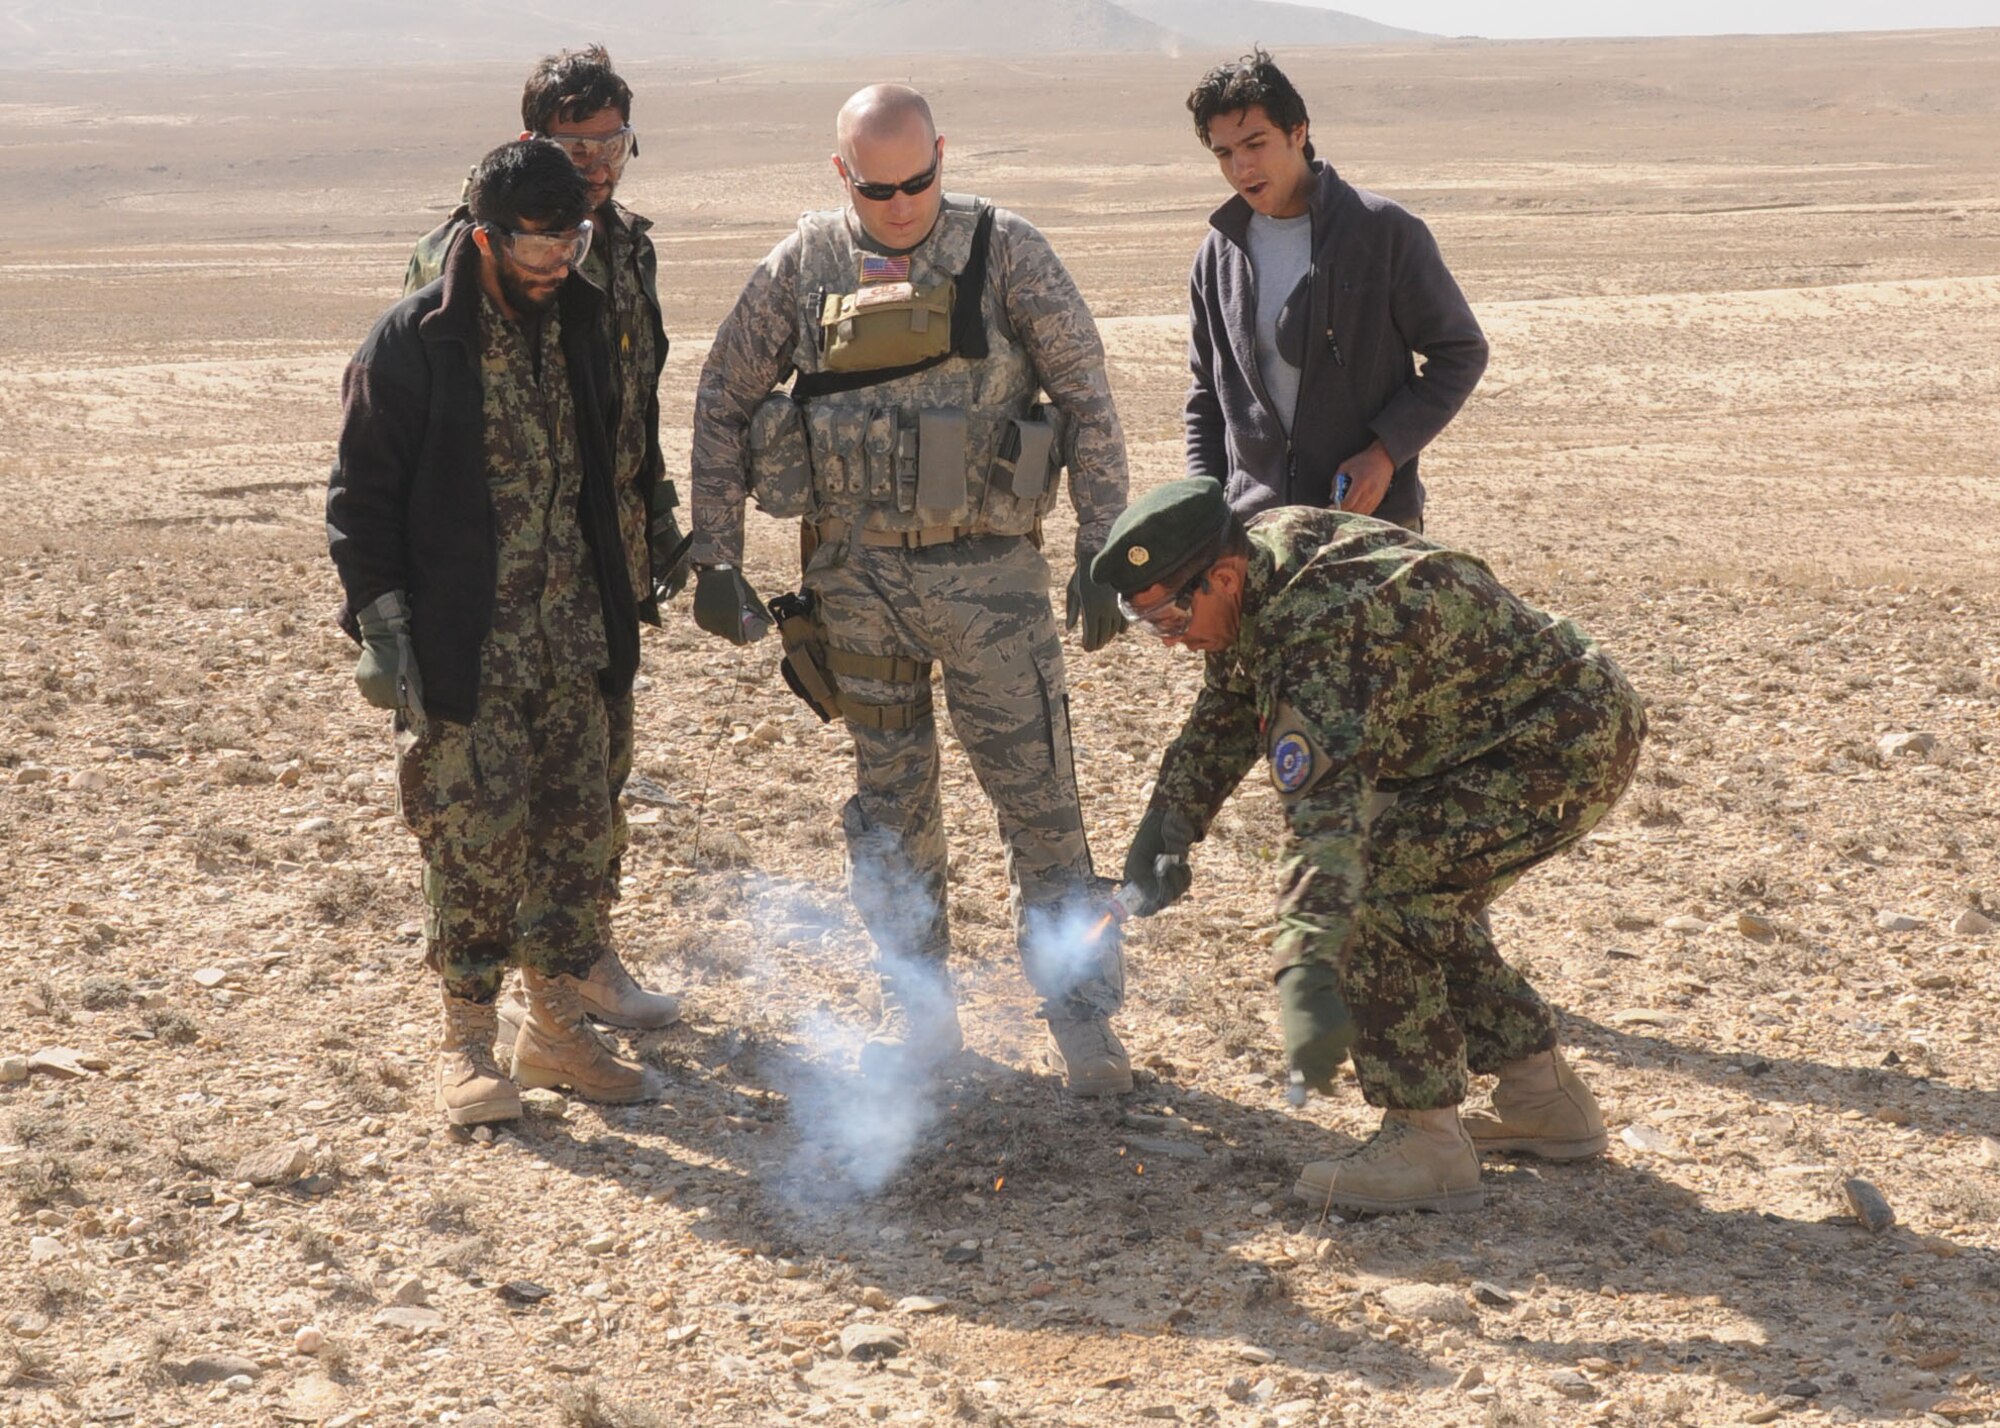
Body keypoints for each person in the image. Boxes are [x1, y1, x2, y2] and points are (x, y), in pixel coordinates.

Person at [686, 84, 1135, 1095]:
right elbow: (723, 397)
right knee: (891, 813)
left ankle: (1084, 1023)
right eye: (876, 187)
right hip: (855, 583)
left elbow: (1086, 398)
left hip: (993, 583)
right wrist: (714, 555)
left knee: (1043, 808)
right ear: (842, 174)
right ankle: (921, 1016)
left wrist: (1104, 546)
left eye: (917, 180)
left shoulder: (1006, 250)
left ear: (942, 152)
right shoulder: (802, 266)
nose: (899, 203)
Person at [1097, 478, 1645, 1213]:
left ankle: (1429, 1144)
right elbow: (1230, 700)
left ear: (1221, 576)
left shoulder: (1325, 634)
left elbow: (1330, 842)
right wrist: (1166, 830)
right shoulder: (1262, 557)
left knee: (1375, 892)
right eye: (1148, 621)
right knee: (1417, 894)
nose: (1169, 638)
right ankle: (1542, 1100)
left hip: (1556, 744)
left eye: (1169, 615)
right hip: (1498, 733)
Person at [330, 140, 657, 1126]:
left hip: (574, 644)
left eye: (574, 238)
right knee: (474, 846)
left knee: (571, 842)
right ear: (483, 236)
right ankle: (467, 1050)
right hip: (469, 644)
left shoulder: (586, 321)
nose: (559, 260)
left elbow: (615, 465)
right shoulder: (415, 342)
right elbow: (361, 496)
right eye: (538, 244)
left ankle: (557, 1032)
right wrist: (381, 627)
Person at [406, 45, 685, 1034]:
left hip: (599, 565)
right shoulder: (470, 251)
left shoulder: (630, 250)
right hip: (499, 574)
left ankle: (583, 959)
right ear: (532, 141)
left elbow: (635, 413)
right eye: (575, 142)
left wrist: (657, 531)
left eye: (612, 139)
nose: (598, 160)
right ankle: (499, 1007)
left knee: (593, 777)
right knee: (491, 801)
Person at [1183, 48, 1488, 532]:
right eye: (1224, 153)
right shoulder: (1217, 256)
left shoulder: (1382, 232)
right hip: (1258, 531)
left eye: (1255, 143)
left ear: (1297, 132)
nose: (1241, 167)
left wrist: (1385, 453)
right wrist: (1199, 505)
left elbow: (1460, 352)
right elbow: (1207, 397)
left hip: (1370, 520)